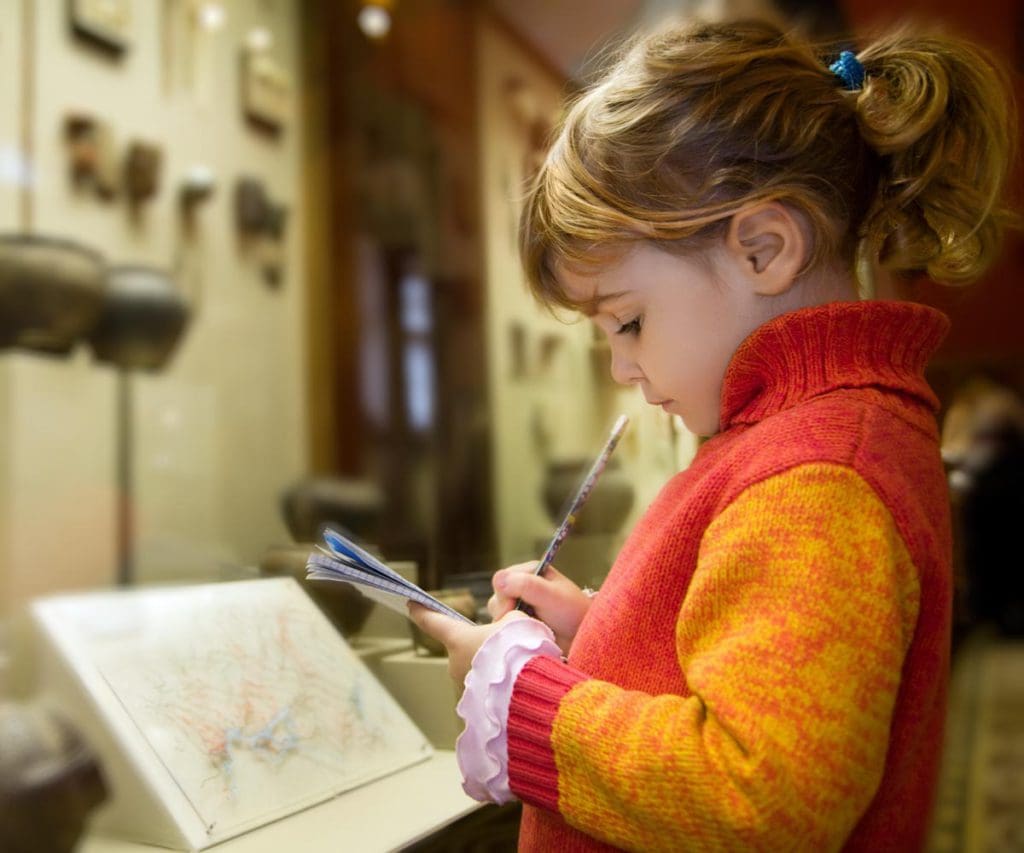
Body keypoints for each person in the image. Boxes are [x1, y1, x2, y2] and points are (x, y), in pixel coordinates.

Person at [410, 15, 1016, 851]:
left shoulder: (816, 477)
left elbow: (762, 796)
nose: (621, 366)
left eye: (626, 321)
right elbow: (749, 668)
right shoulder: (790, 441)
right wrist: (602, 635)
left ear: (763, 249)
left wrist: (518, 702)